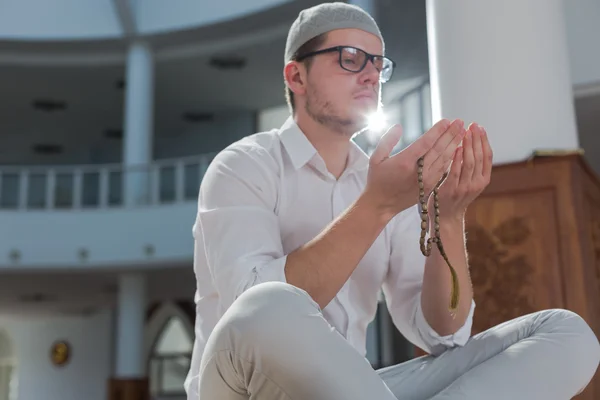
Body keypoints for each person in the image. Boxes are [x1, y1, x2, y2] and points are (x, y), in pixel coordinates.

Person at [184, 3, 600, 399]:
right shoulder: (243, 166)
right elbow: (253, 310)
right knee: (270, 303)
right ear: (296, 77)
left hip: (355, 390)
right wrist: (377, 206)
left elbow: (443, 334)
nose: (370, 74)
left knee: (565, 332)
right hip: (245, 388)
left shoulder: (385, 181)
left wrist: (449, 219)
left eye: (378, 63)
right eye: (350, 58)